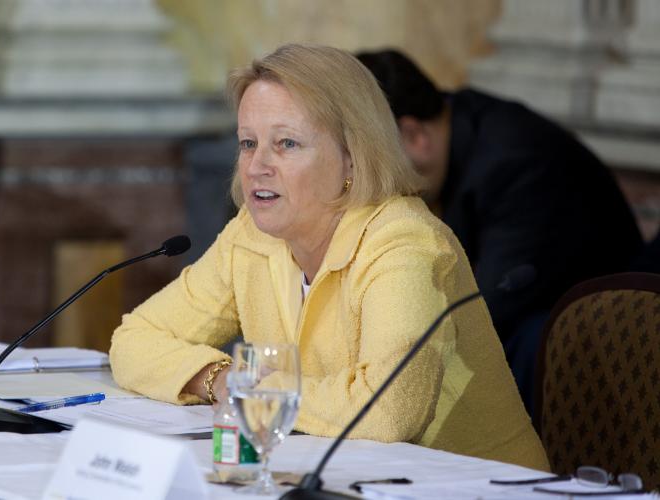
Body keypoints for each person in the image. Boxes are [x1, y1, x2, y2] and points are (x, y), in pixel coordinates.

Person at [110, 44, 549, 470]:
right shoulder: (253, 235)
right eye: (248, 143)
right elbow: (134, 340)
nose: (257, 165)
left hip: (473, 486)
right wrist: (220, 380)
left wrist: (257, 393)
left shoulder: (404, 242)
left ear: (353, 158)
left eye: (286, 144)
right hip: (336, 474)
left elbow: (389, 411)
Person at [356, 49, 644, 411]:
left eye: (367, 159)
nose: (363, 180)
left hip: (605, 345)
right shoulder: (456, 133)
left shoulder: (515, 164)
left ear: (413, 135)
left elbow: (481, 312)